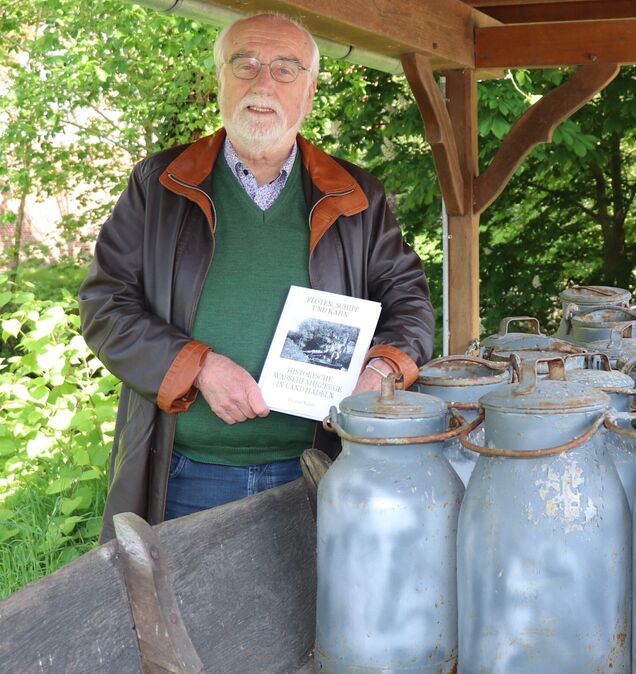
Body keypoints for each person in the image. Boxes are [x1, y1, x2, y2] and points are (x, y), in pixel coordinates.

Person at [79, 12, 434, 542]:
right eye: (244, 65)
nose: (262, 83)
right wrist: (198, 368)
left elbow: (409, 301)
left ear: (309, 94)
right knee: (189, 625)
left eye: (285, 69)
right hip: (185, 474)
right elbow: (106, 305)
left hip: (326, 468)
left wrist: (379, 374)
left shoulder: (357, 195)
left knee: (318, 623)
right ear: (220, 81)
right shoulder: (160, 183)